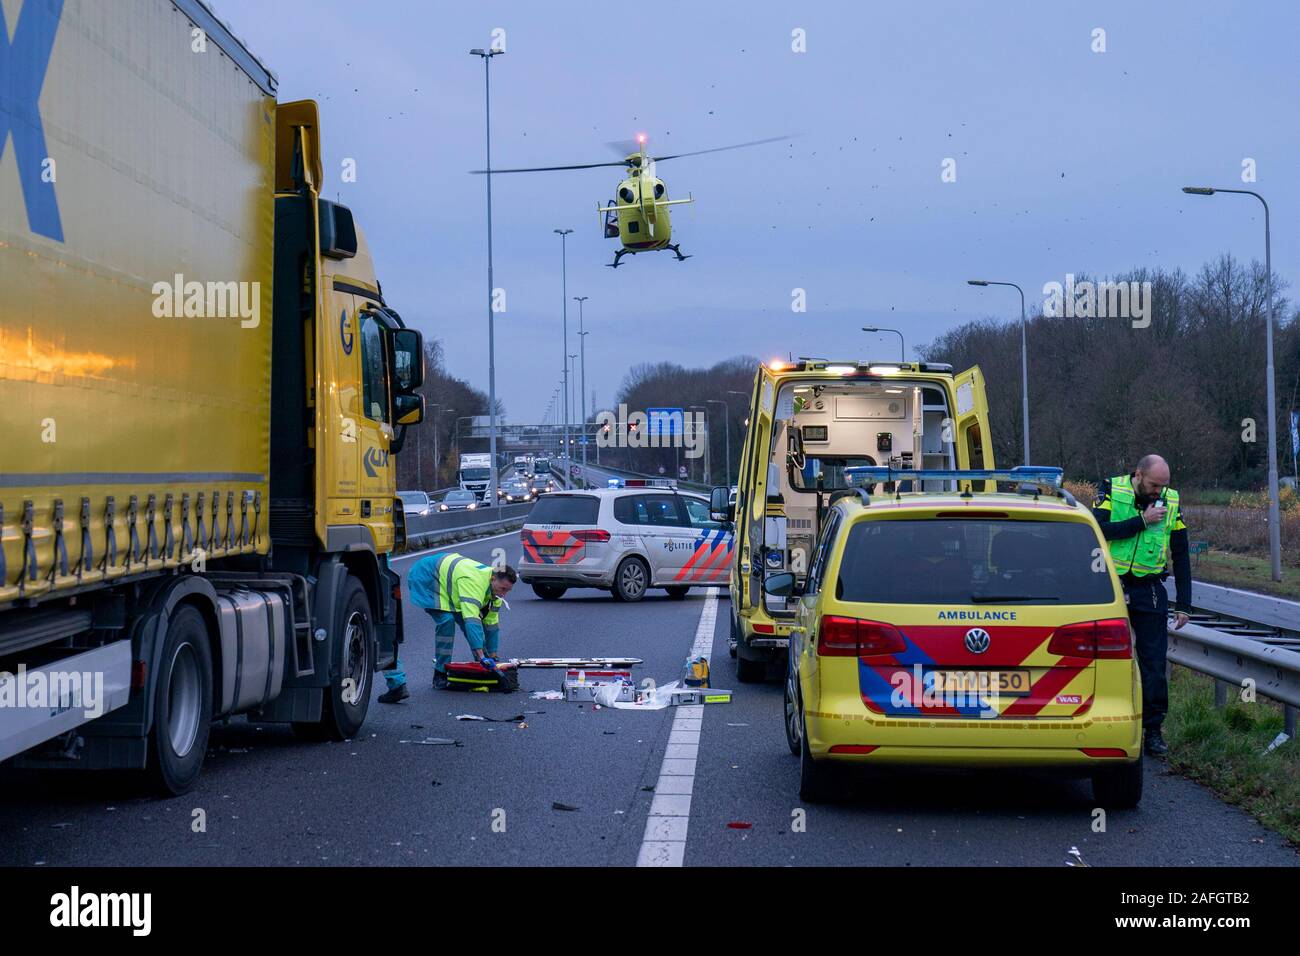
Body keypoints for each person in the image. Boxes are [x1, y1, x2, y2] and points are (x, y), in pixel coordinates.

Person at [1092, 454, 1191, 757]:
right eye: (1153, 485)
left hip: (1149, 587)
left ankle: (1153, 731)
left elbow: (1181, 553)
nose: (1158, 492)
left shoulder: (1171, 500)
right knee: (1102, 658)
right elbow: (1097, 531)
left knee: (1153, 663)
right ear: (1138, 474)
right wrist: (1141, 522)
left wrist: (1184, 604)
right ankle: (1100, 720)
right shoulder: (1112, 489)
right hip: (1110, 585)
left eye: (1163, 486)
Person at [378, 554, 516, 702]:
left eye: (507, 590)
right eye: (502, 589)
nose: (503, 594)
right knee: (447, 622)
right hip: (427, 576)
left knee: (469, 624)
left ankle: (484, 669)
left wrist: (493, 656)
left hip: (449, 586)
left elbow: (491, 624)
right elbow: (472, 620)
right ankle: (440, 673)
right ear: (493, 579)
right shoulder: (474, 582)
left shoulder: (495, 592)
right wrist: (482, 656)